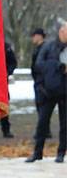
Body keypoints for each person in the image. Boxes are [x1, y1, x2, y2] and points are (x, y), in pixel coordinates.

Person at [26, 22, 67, 163]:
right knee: (42, 123)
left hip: (65, 92)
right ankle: (37, 152)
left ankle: (61, 152)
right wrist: (57, 66)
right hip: (48, 91)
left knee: (65, 124)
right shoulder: (48, 47)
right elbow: (38, 65)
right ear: (61, 32)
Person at [31, 28, 48, 136]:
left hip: (42, 81)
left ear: (39, 36)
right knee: (40, 105)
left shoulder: (45, 49)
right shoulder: (38, 49)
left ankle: (43, 130)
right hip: (37, 80)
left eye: (34, 36)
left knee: (43, 106)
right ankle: (44, 129)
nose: (32, 38)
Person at [0, 42, 17, 138]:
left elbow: (13, 62)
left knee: (3, 105)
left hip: (1, 80)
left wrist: (8, 71)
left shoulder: (5, 46)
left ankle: (6, 129)